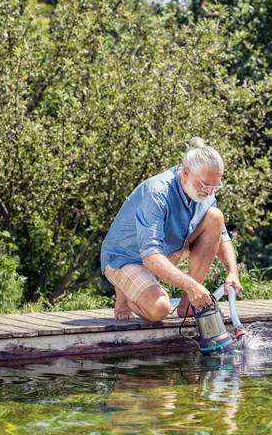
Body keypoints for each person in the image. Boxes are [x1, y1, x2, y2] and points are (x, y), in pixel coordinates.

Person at [100, 137, 243, 322]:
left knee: (215, 217)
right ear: (185, 172)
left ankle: (189, 305)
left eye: (215, 186)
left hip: (165, 252)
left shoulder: (205, 191)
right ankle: (127, 294)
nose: (209, 192)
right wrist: (192, 286)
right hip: (124, 258)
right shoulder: (157, 192)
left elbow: (221, 235)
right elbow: (150, 255)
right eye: (205, 185)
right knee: (160, 308)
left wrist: (232, 272)